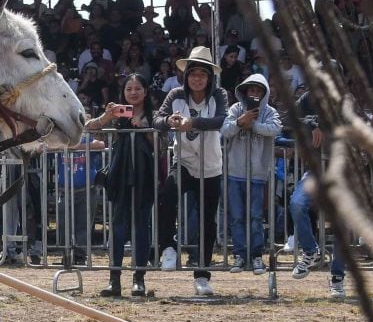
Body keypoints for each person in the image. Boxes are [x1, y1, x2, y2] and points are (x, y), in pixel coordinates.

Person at [153, 46, 227, 297]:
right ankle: (168, 248)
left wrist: (193, 122)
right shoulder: (175, 95)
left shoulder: (219, 95)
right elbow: (158, 118)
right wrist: (169, 122)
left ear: (209, 77)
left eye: (202, 74)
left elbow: (221, 120)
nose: (197, 78)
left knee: (207, 219)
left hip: (210, 166)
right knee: (167, 196)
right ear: (186, 76)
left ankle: (202, 275)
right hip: (182, 160)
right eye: (193, 73)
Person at [85, 74, 168, 297]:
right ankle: (114, 279)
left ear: (146, 91)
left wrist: (144, 128)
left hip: (144, 177)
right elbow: (90, 128)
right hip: (120, 176)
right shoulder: (117, 114)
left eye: (138, 88)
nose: (133, 92)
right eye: (128, 88)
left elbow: (162, 148)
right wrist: (106, 115)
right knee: (118, 229)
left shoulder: (156, 116)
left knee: (141, 227)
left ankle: (139, 278)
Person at [221, 73, 281, 272]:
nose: (254, 93)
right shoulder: (235, 108)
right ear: (244, 92)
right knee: (236, 216)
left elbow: (275, 129)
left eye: (258, 90)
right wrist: (241, 121)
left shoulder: (270, 111)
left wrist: (253, 124)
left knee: (256, 216)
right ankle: (239, 254)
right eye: (250, 90)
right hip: (234, 171)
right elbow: (225, 130)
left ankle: (256, 255)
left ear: (264, 93)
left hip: (258, 173)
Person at [288, 112, 346, 297]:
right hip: (314, 172)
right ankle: (311, 252)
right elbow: (289, 117)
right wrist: (312, 123)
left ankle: (338, 277)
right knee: (297, 203)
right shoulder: (308, 98)